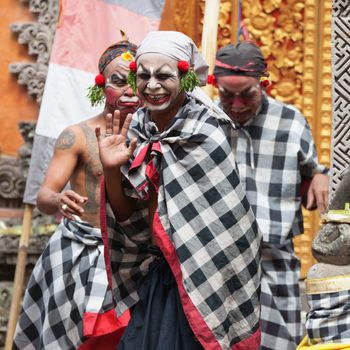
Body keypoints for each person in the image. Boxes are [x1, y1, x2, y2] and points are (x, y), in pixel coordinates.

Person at [97, 31, 262, 349]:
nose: (152, 85)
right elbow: (128, 219)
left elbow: (225, 232)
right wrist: (109, 168)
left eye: (164, 76)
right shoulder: (136, 130)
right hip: (159, 277)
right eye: (143, 76)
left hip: (204, 278)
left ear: (186, 78)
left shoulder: (206, 131)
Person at [13, 37, 141, 350]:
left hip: (133, 256)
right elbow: (45, 196)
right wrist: (58, 200)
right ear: (101, 85)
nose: (130, 90)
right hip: (78, 251)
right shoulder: (78, 136)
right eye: (119, 81)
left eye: (137, 81)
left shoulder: (157, 136)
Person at [212, 42, 329, 350]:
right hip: (216, 259)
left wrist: (319, 176)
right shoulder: (204, 121)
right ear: (215, 85)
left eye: (247, 94)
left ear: (263, 83)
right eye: (227, 94)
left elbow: (313, 171)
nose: (236, 104)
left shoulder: (290, 121)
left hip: (274, 257)